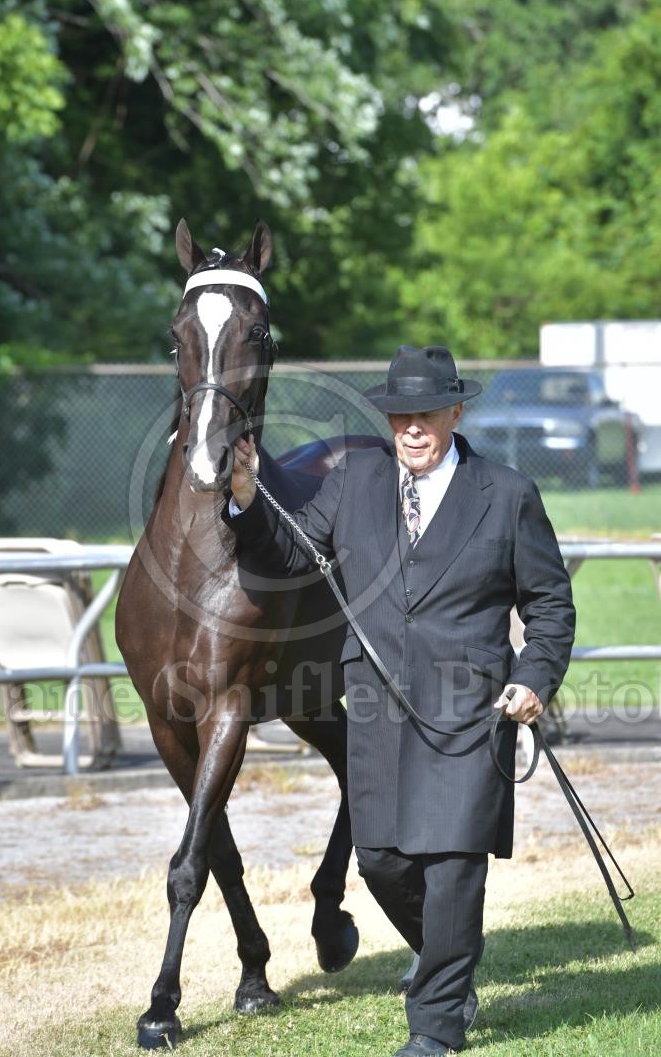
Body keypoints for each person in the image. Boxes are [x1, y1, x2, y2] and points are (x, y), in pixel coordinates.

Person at [226, 344, 575, 1056]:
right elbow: (291, 557)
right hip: (377, 705)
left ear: (455, 411)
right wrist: (244, 500)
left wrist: (534, 677)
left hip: (471, 709)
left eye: (426, 414)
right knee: (381, 860)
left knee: (451, 865)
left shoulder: (506, 494)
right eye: (399, 415)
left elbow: (550, 604)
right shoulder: (355, 481)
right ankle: (451, 963)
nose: (412, 428)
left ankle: (436, 1026)